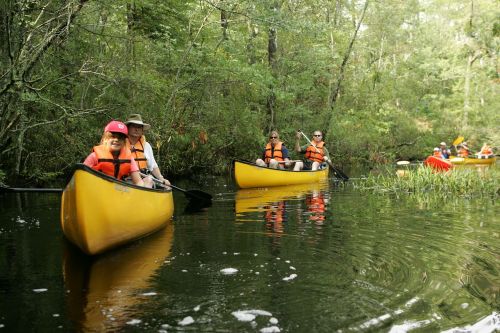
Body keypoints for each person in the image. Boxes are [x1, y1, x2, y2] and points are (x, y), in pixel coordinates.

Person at [83, 120, 145, 187]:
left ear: (124, 142)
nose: (116, 140)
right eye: (112, 136)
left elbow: (138, 181)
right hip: (97, 188)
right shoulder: (94, 156)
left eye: (120, 138)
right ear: (105, 139)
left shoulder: (129, 158)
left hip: (117, 191)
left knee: (148, 181)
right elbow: (82, 175)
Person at [125, 114, 171, 187]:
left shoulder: (146, 146)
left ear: (142, 130)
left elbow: (153, 166)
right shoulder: (120, 144)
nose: (136, 129)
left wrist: (161, 178)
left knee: (150, 180)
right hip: (125, 180)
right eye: (133, 126)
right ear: (127, 128)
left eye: (139, 127)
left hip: (144, 179)